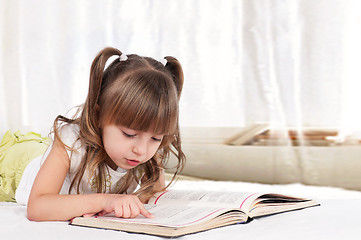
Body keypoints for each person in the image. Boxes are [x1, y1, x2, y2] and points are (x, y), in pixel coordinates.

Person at [0, 47, 186, 221]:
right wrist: (105, 201)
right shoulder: (71, 143)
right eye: (129, 134)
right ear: (98, 116)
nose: (142, 150)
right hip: (15, 166)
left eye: (156, 138)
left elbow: (156, 195)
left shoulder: (146, 151)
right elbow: (37, 208)